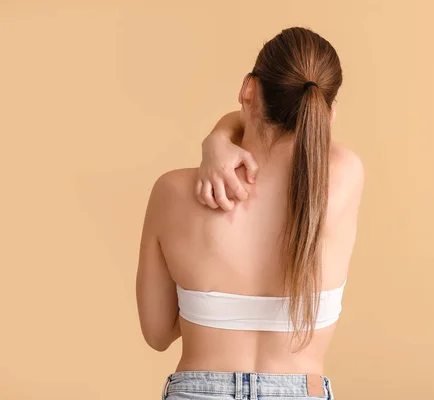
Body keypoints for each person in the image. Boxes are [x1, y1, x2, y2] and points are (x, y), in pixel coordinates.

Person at [136, 27, 364, 400]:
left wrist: (217, 137)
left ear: (248, 90)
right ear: (328, 113)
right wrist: (220, 136)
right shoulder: (345, 177)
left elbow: (158, 333)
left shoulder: (173, 192)